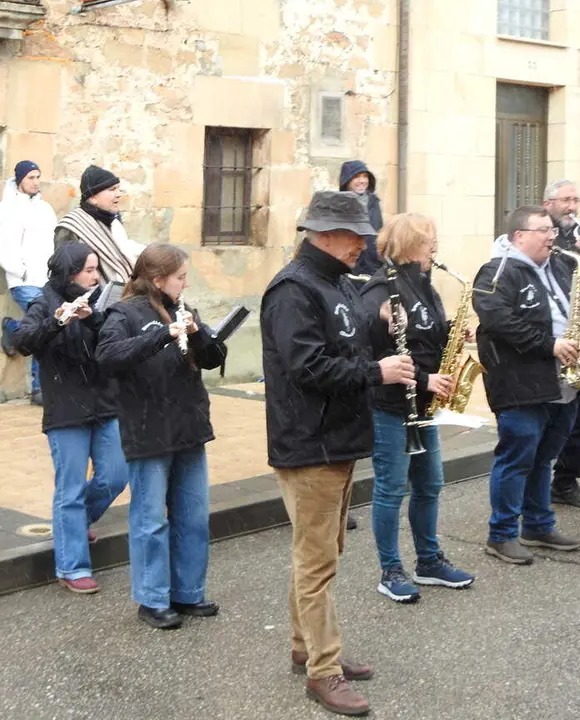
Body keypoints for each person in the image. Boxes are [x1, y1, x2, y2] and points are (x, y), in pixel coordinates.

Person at [261, 191, 415, 717]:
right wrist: (377, 372)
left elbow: (343, 348)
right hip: (311, 442)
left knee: (318, 555)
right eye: (355, 238)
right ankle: (322, 671)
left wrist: (379, 336)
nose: (363, 246)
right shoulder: (293, 290)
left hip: (335, 438)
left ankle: (307, 649)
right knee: (317, 563)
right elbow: (307, 368)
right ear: (324, 235)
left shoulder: (330, 283)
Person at [95, 244, 226, 630]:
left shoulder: (184, 309)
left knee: (193, 515)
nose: (185, 283)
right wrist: (163, 336)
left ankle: (187, 591)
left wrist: (199, 334)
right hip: (148, 428)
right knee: (151, 518)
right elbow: (108, 356)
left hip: (188, 426)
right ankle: (153, 598)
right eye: (180, 277)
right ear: (157, 279)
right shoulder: (124, 313)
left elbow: (213, 357)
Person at [359, 214, 475, 604]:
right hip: (392, 406)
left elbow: (428, 336)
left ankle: (429, 561)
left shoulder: (423, 285)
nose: (435, 248)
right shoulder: (382, 287)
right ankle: (390, 569)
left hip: (423, 406)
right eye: (430, 242)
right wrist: (423, 377)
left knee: (430, 484)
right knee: (391, 489)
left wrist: (455, 329)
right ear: (410, 244)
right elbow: (370, 337)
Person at [473, 205, 580, 565]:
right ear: (519, 237)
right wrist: (550, 344)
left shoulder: (562, 264)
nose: (551, 236)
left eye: (551, 230)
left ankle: (538, 524)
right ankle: (502, 534)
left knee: (544, 458)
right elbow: (498, 321)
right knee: (516, 458)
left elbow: (572, 308)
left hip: (562, 381)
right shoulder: (496, 272)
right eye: (542, 230)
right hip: (519, 381)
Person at [12, 242, 129, 593]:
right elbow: (23, 341)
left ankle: (76, 524)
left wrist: (91, 318)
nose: (95, 276)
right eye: (89, 270)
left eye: (96, 270)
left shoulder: (99, 299)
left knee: (116, 475)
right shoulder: (43, 300)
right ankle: (72, 567)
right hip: (66, 408)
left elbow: (114, 338)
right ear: (70, 272)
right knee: (71, 489)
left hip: (105, 401)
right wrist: (57, 321)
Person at [539, 180, 580, 509]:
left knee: (578, 414)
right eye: (565, 200)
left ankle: (565, 481)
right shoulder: (541, 239)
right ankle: (534, 486)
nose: (572, 206)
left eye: (576, 199)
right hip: (549, 342)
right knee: (544, 417)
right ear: (547, 204)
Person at [0, 159, 57, 406]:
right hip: (24, 280)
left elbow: (52, 242)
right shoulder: (5, 210)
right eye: (31, 177)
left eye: (38, 177)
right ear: (19, 180)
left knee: (44, 328)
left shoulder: (46, 209)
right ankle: (39, 387)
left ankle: (14, 329)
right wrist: (20, 270)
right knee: (43, 326)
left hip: (47, 279)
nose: (36, 182)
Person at [54, 165, 144, 284]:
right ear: (93, 197)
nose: (118, 194)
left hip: (119, 293)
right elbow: (65, 274)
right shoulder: (71, 227)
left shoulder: (113, 221)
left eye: (118, 189)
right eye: (112, 189)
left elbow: (123, 253)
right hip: (88, 299)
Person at [339, 160, 384, 277]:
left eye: (365, 176)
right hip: (349, 268)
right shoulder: (339, 204)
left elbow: (378, 232)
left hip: (373, 267)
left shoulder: (374, 202)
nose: (362, 181)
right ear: (347, 180)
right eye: (357, 177)